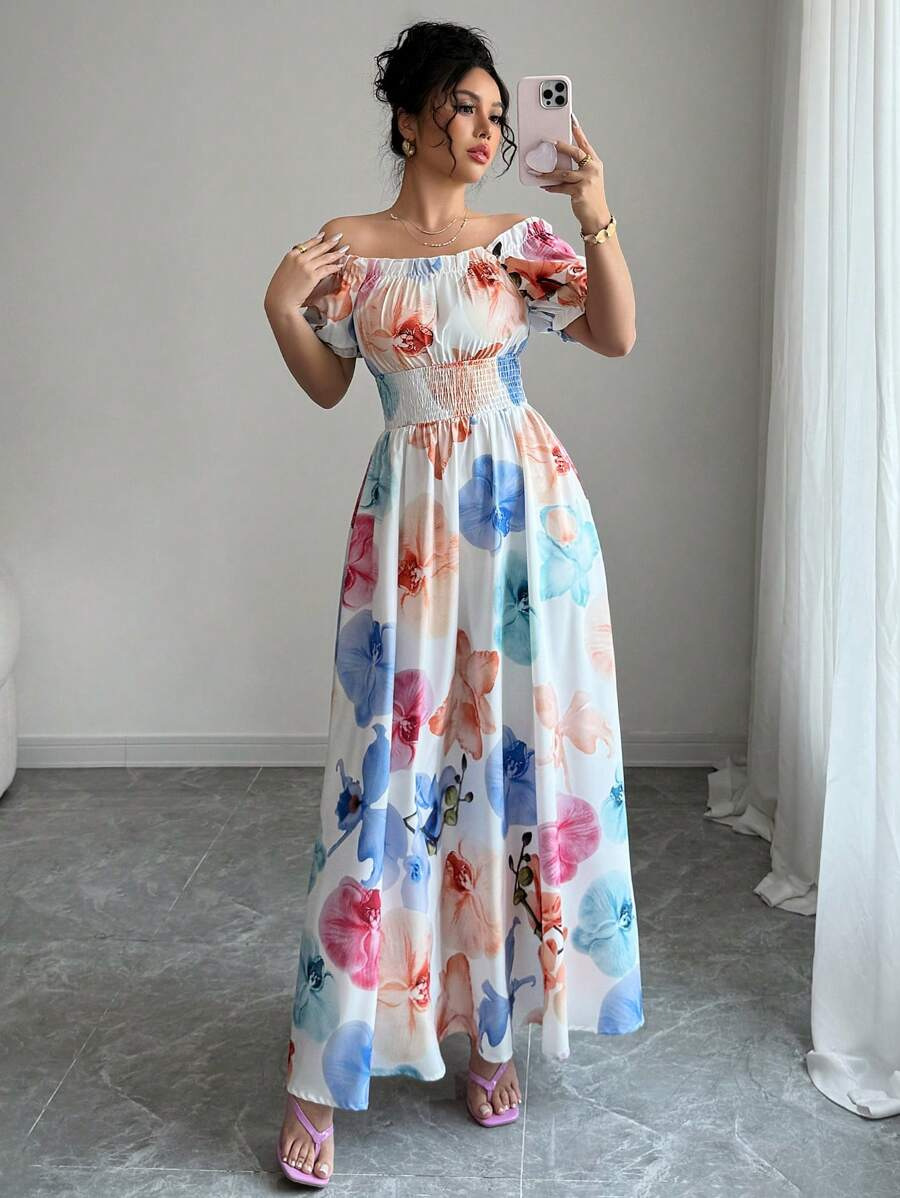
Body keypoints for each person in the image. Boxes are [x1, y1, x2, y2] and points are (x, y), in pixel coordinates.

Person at [263, 19, 642, 1188]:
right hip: (410, 535)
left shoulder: (518, 239)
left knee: (510, 764)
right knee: (387, 779)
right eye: (466, 106)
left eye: (496, 112)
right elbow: (330, 384)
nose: (487, 129)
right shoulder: (349, 248)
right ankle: (320, 1070)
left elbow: (616, 334)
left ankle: (490, 1030)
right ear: (410, 115)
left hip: (530, 525)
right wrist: (282, 307)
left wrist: (595, 211)